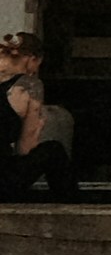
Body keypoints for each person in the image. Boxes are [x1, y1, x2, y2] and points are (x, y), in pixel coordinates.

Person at [0, 30, 77, 202]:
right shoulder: (29, 85)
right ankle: (74, 211)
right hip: (2, 183)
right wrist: (37, 129)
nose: (35, 71)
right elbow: (24, 149)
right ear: (31, 59)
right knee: (53, 150)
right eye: (37, 65)